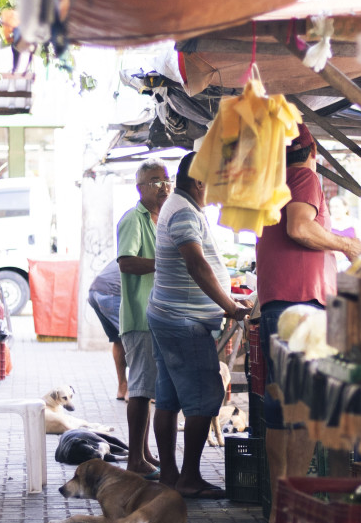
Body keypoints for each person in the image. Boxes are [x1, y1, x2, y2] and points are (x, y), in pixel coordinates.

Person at [253, 123, 361, 482]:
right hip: (300, 303)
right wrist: (347, 246)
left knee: (279, 405)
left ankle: (279, 503)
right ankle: (294, 499)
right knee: (301, 407)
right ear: (312, 150)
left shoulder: (272, 185)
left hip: (278, 303)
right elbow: (299, 229)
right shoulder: (302, 177)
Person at [148, 152, 247, 497]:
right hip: (182, 321)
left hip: (168, 315)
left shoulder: (179, 206)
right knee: (206, 396)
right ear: (199, 181)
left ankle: (170, 476)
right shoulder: (184, 213)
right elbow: (196, 264)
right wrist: (230, 306)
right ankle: (188, 477)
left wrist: (229, 299)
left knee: (169, 397)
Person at [117, 160, 171, 475]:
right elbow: (126, 262)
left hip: (157, 315)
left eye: (166, 179)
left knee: (148, 387)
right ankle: (134, 460)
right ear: (140, 188)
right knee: (139, 388)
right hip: (140, 317)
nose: (163, 186)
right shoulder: (133, 219)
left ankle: (144, 453)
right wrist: (167, 263)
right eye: (154, 181)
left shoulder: (162, 219)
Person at [87, 258, 126, 399]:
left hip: (95, 291)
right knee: (135, 339)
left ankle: (123, 388)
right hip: (112, 294)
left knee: (119, 340)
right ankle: (136, 392)